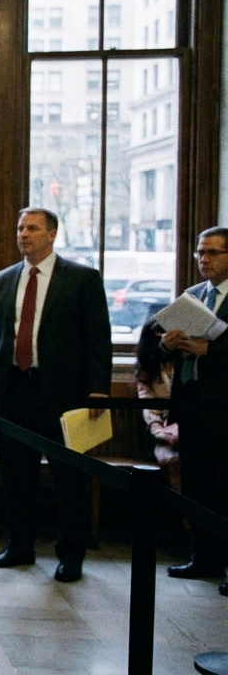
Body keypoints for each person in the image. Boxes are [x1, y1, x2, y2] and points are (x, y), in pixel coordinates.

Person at [0, 207, 111, 583]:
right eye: (20, 227)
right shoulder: (4, 279)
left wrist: (97, 390)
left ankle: (71, 555)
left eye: (33, 228)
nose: (24, 234)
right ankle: (19, 545)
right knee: (17, 474)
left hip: (64, 393)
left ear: (52, 234)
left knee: (69, 477)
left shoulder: (81, 278)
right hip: (15, 389)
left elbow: (97, 337)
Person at [160, 226, 228, 595]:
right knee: (198, 486)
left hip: (224, 409)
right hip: (192, 407)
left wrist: (210, 351)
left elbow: (212, 349)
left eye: (213, 253)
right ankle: (204, 557)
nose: (204, 259)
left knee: (225, 487)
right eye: (200, 253)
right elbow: (163, 353)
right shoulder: (193, 296)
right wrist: (170, 343)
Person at [133, 319, 179, 491]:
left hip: (189, 429)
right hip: (163, 436)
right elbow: (148, 403)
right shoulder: (148, 368)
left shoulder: (185, 362)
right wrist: (159, 430)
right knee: (172, 460)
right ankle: (183, 515)